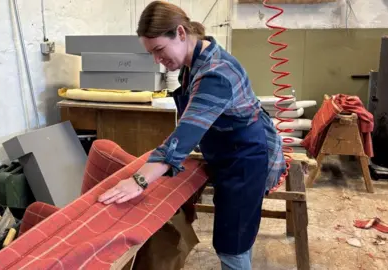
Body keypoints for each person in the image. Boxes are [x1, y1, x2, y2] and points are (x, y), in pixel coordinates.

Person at [98, 1, 286, 269]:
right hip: (226, 149)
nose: (157, 60)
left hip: (245, 156)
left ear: (181, 33)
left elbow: (185, 135)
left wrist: (139, 180)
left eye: (159, 50)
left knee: (233, 243)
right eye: (151, 53)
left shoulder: (215, 74)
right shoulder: (195, 58)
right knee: (232, 228)